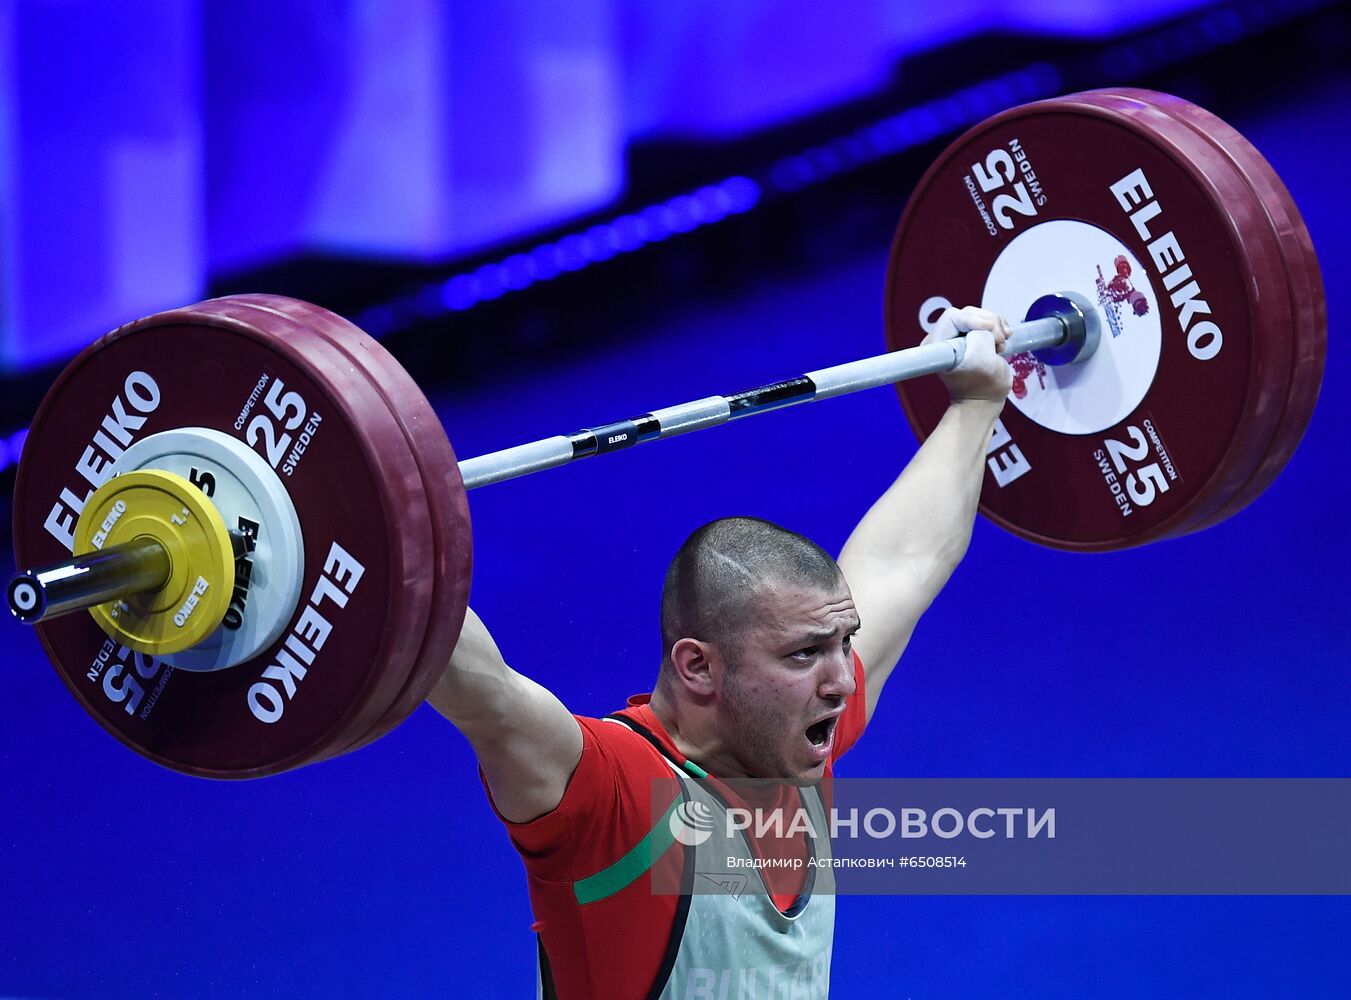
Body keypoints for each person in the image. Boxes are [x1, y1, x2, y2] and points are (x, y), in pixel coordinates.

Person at [428, 306, 1014, 999]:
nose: (840, 681)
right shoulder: (610, 796)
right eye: (802, 655)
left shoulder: (786, 736)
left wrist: (977, 403)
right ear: (698, 666)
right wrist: (375, 530)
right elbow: (479, 688)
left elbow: (905, 562)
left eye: (841, 644)